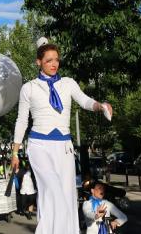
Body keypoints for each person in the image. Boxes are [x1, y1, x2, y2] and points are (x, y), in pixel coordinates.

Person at [11, 41, 112, 234]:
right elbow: (21, 121)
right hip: (39, 145)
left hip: (64, 146)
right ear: (38, 62)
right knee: (53, 190)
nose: (54, 64)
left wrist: (101, 106)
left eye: (56, 59)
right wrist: (15, 152)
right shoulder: (29, 88)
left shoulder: (68, 83)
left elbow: (84, 101)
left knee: (66, 195)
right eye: (48, 60)